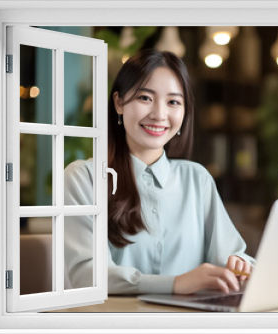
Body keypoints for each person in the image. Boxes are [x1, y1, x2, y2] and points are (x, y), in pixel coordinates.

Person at [64, 49, 255, 295]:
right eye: (145, 98)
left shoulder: (197, 179)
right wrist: (175, 284)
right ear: (119, 103)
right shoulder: (83, 178)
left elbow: (234, 255)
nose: (159, 115)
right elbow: (86, 274)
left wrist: (240, 264)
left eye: (173, 102)